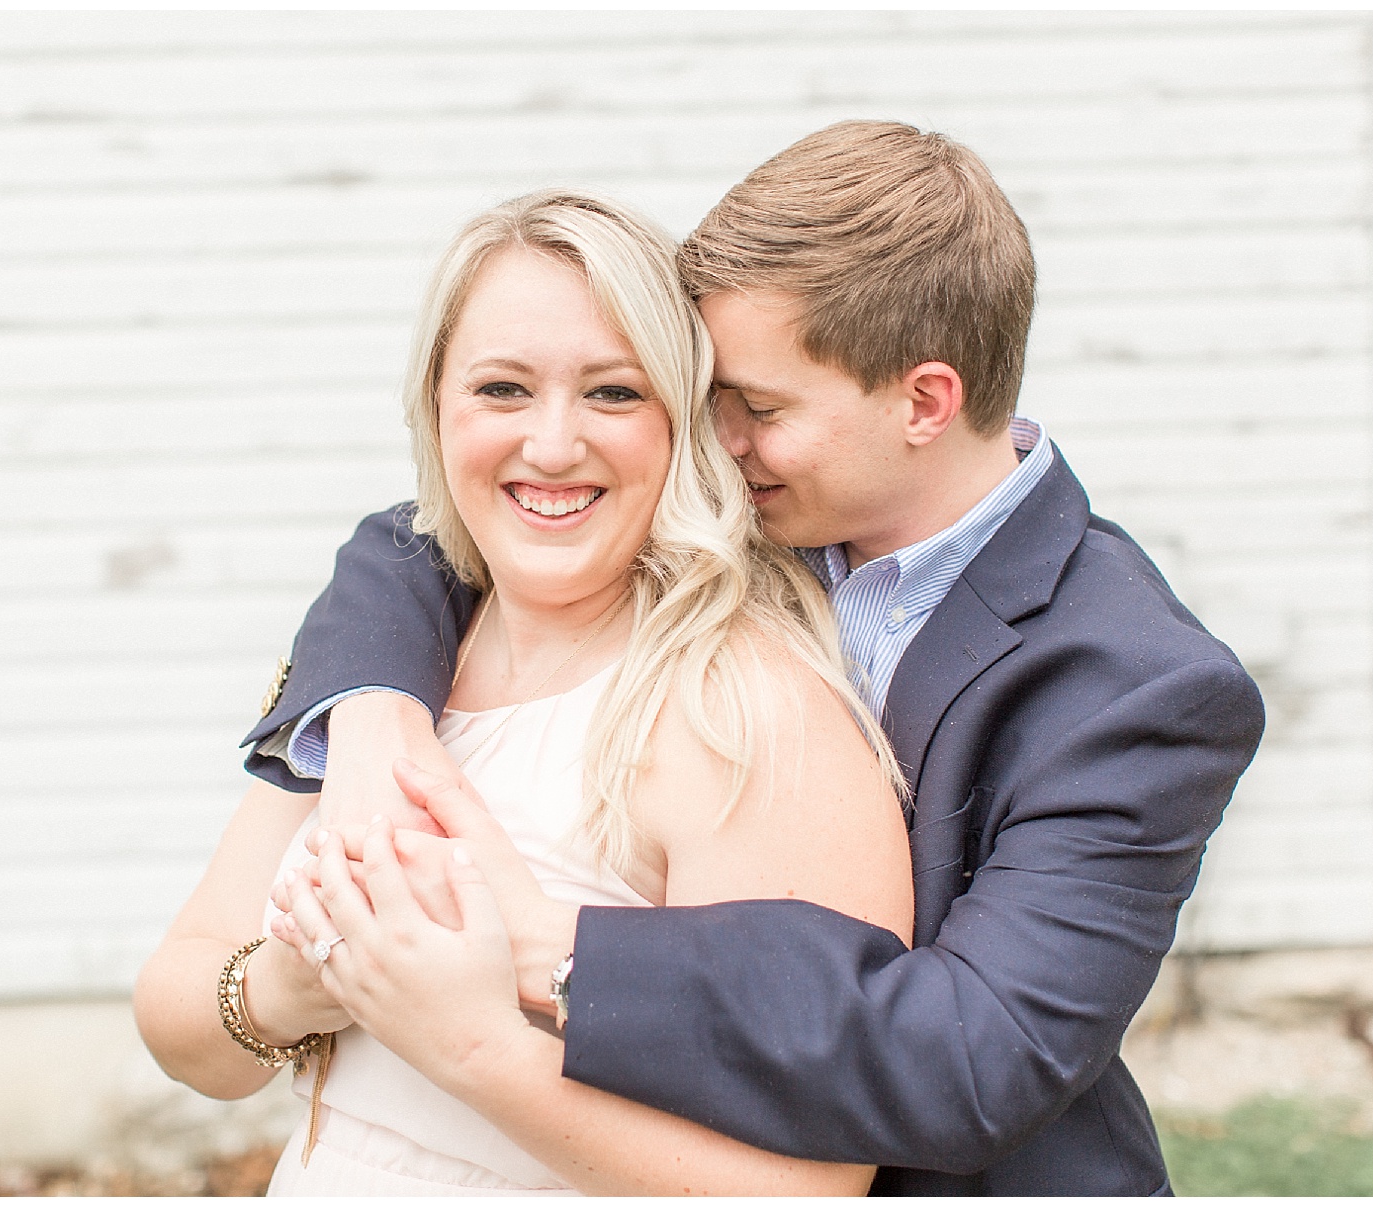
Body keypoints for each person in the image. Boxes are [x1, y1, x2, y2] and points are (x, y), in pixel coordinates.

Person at [250, 121, 1268, 1195]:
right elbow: (420, 539)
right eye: (708, 398)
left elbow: (976, 1059)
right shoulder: (762, 505)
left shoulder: (1140, 689)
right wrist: (373, 710)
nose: (716, 438)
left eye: (758, 408)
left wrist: (548, 946)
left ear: (925, 402)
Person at [136, 189, 914, 1194]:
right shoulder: (387, 687)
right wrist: (296, 985)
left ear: (687, 420)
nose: (551, 445)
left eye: (614, 393)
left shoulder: (747, 710)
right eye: (502, 389)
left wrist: (473, 1045)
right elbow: (179, 1017)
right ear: (436, 408)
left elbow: (806, 1187)